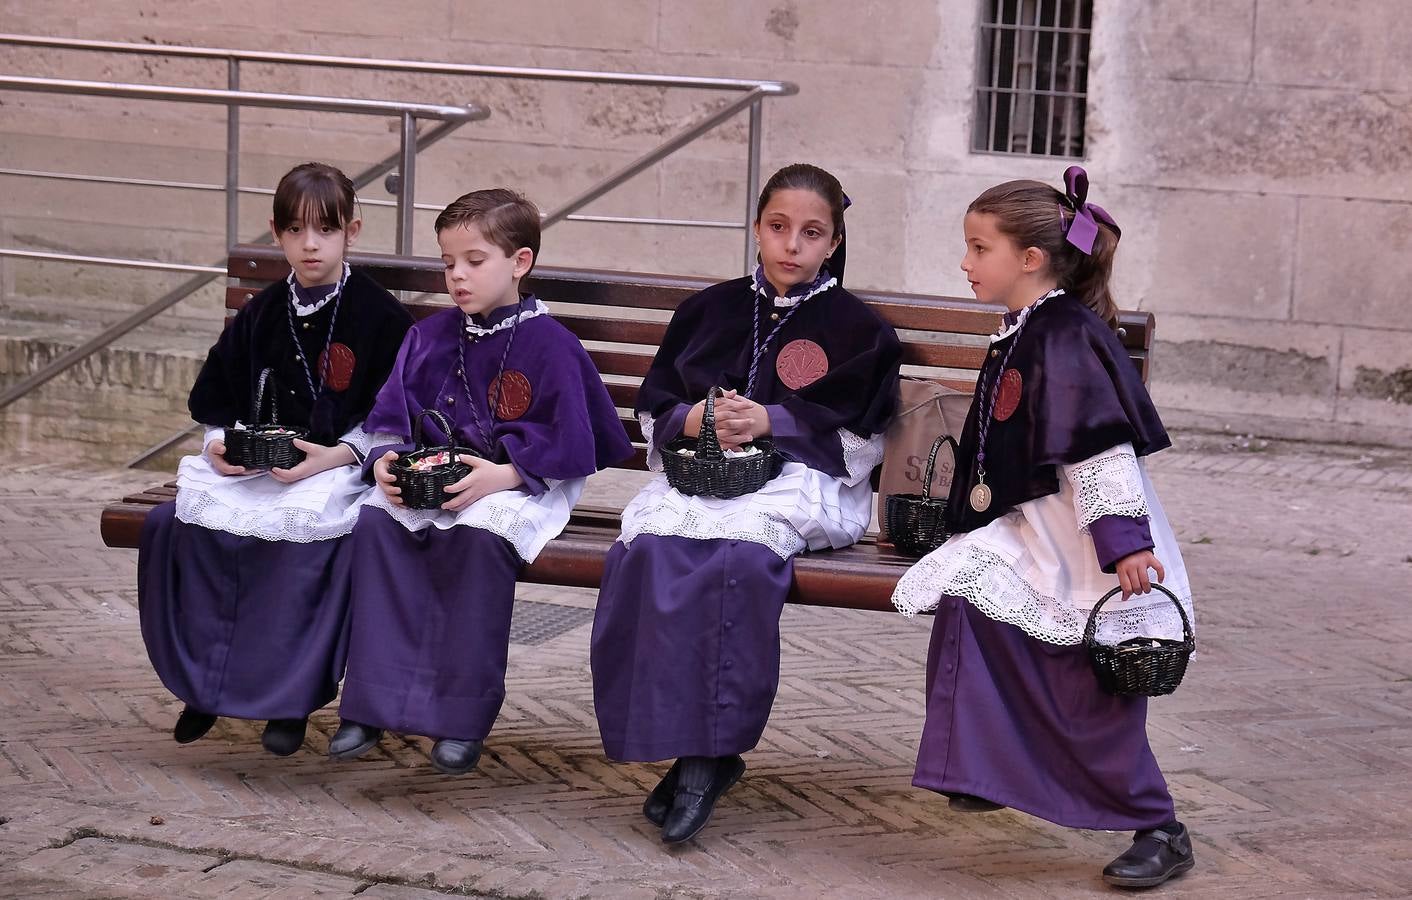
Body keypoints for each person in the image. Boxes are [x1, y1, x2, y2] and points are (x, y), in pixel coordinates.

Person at [890, 166, 1197, 889]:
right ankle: (980, 765)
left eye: (978, 247)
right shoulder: (1029, 327)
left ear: (1029, 259)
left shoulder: (1063, 336)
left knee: (1088, 686)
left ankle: (1158, 824)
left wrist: (1124, 546)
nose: (965, 263)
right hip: (1038, 527)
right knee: (970, 602)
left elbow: (1099, 447)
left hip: (1088, 538)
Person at [590, 163, 902, 844]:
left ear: (835, 241)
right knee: (646, 553)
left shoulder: (859, 330)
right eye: (778, 227)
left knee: (735, 562)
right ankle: (687, 743)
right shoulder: (708, 310)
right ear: (757, 229)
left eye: (811, 233)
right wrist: (700, 419)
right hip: (702, 475)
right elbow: (657, 407)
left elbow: (860, 438)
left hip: (802, 480)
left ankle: (707, 756)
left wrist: (771, 423)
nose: (792, 245)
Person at [329, 188, 633, 775]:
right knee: (374, 525)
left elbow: (571, 439)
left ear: (519, 262)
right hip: (432, 477)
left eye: (474, 261)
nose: (458, 277)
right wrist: (388, 462)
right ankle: (369, 704)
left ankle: (460, 719)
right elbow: (390, 416)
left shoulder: (552, 344)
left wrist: (505, 473)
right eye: (448, 264)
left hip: (519, 482)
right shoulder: (429, 336)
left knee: (473, 543)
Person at [138, 162, 413, 756]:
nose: (309, 244)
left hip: (335, 467)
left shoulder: (380, 317)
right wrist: (220, 444)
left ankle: (287, 701)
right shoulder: (262, 312)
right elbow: (217, 397)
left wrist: (334, 457)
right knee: (179, 525)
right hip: (259, 464)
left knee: (305, 545)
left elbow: (393, 418)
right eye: (294, 231)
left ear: (353, 231)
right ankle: (208, 685)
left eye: (325, 230)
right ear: (277, 233)